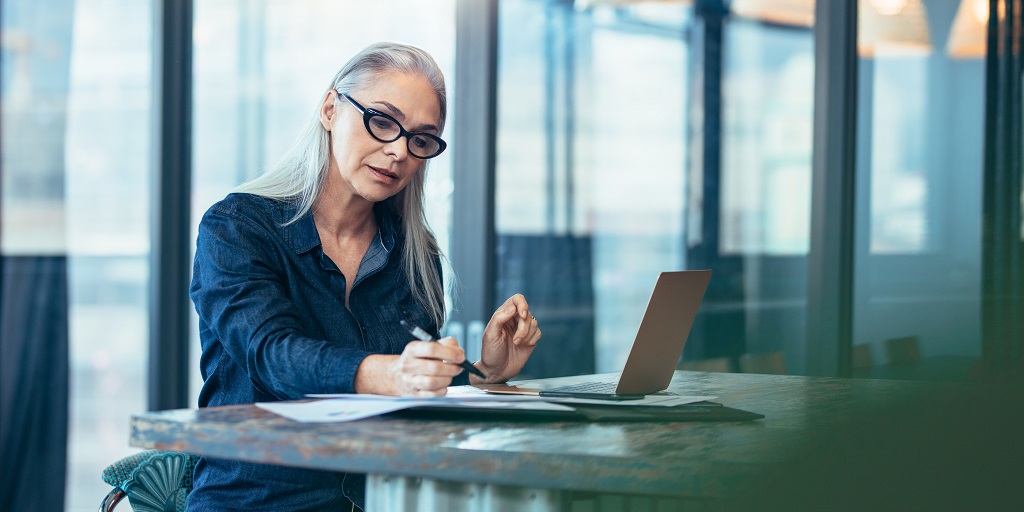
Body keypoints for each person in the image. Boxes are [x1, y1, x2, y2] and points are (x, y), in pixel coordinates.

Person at [187, 41, 542, 511]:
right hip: (257, 501)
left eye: (420, 138)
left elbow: (413, 398)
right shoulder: (237, 228)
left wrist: (483, 375)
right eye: (381, 120)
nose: (398, 151)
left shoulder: (415, 256)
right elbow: (270, 354)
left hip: (383, 499)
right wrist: (390, 374)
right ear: (331, 109)